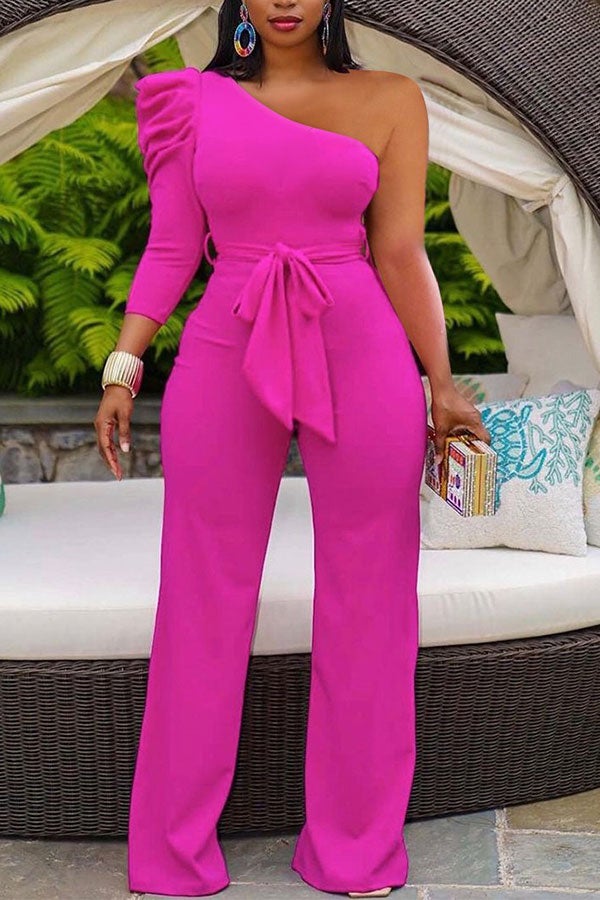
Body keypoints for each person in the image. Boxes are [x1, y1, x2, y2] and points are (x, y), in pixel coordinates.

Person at [94, 1, 491, 896]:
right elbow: (172, 245)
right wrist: (124, 365)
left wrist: (441, 381)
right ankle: (172, 857)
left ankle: (354, 851)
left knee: (372, 601)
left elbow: (401, 251)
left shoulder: (392, 97)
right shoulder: (187, 101)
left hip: (361, 345)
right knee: (200, 596)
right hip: (225, 343)